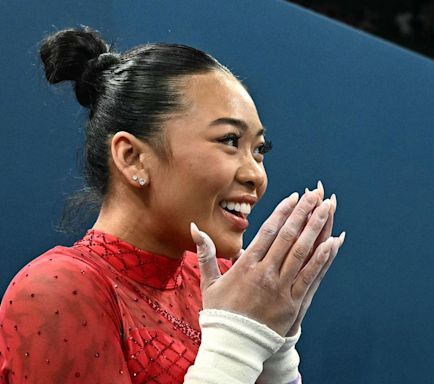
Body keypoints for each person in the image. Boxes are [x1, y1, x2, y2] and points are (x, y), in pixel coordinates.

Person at [0, 27, 345, 384]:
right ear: (132, 157)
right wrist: (236, 345)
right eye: (229, 140)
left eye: (260, 150)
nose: (256, 175)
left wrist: (277, 353)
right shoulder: (55, 290)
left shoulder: (216, 282)